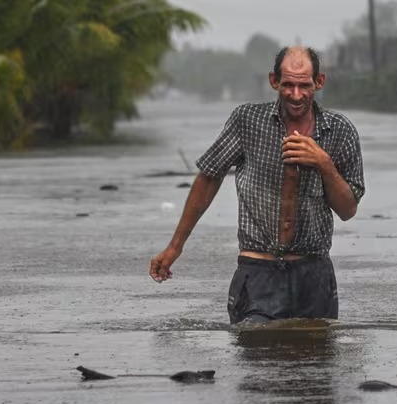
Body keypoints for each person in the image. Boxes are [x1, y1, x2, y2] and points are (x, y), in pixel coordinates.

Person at [148, 46, 365, 324]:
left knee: (315, 362)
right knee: (256, 358)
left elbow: (348, 209)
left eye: (304, 85)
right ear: (274, 81)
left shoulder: (340, 130)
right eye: (287, 85)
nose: (296, 95)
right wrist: (175, 246)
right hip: (258, 271)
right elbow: (209, 177)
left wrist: (323, 163)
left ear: (319, 82)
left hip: (314, 274)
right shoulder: (247, 121)